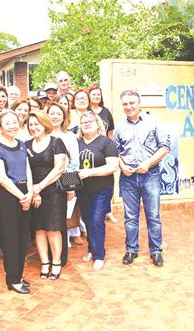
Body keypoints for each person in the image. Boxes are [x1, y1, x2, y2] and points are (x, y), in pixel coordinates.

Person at [114, 90, 170, 267]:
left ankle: (156, 251)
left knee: (153, 215)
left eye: (132, 103)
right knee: (130, 216)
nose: (129, 106)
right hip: (128, 178)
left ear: (139, 103)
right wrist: (122, 166)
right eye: (125, 104)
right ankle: (131, 250)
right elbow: (115, 151)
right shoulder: (119, 127)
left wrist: (147, 163)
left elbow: (165, 147)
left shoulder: (154, 122)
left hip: (150, 175)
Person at [0, 110, 32, 293]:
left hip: (24, 193)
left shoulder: (22, 145)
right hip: (8, 194)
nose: (12, 125)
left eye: (14, 122)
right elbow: (2, 178)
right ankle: (13, 279)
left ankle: (19, 275)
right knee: (11, 238)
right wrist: (21, 196)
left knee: (23, 237)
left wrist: (30, 192)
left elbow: (28, 170)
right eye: (7, 123)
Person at [26, 111, 67, 279]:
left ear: (45, 124)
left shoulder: (57, 142)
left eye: (37, 123)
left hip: (54, 193)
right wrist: (33, 191)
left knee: (53, 229)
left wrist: (39, 188)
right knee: (39, 229)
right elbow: (25, 170)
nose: (34, 127)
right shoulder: (26, 145)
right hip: (34, 193)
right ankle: (44, 262)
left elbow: (59, 169)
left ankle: (56, 262)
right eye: (31, 124)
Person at [77, 112, 118, 270]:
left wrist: (89, 172)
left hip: (102, 189)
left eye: (90, 121)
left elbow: (112, 166)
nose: (86, 124)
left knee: (96, 220)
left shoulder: (106, 143)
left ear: (97, 123)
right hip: (83, 190)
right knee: (87, 220)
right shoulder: (77, 142)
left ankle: (99, 255)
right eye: (83, 122)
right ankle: (91, 249)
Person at [46, 103, 83, 248]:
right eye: (52, 113)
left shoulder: (69, 136)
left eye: (58, 114)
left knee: (63, 215)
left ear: (64, 117)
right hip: (45, 181)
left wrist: (70, 186)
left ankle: (63, 243)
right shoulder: (42, 133)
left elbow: (74, 162)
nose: (55, 117)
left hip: (63, 181)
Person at [88, 86, 118, 224]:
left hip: (104, 150)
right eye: (93, 94)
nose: (96, 97)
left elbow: (110, 132)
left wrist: (110, 147)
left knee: (106, 181)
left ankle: (108, 211)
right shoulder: (87, 112)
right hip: (90, 151)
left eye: (98, 94)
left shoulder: (106, 112)